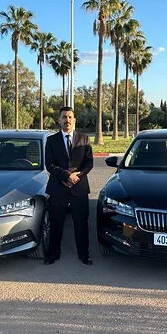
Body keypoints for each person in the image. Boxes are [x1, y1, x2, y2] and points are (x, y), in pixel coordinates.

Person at [44, 107, 94, 265]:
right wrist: (66, 176)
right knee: (56, 222)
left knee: (81, 224)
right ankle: (53, 254)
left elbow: (89, 163)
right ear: (59, 120)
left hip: (79, 187)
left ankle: (84, 255)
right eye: (64, 117)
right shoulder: (51, 140)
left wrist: (76, 176)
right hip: (58, 187)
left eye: (70, 117)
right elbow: (49, 164)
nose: (67, 120)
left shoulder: (84, 138)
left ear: (74, 120)